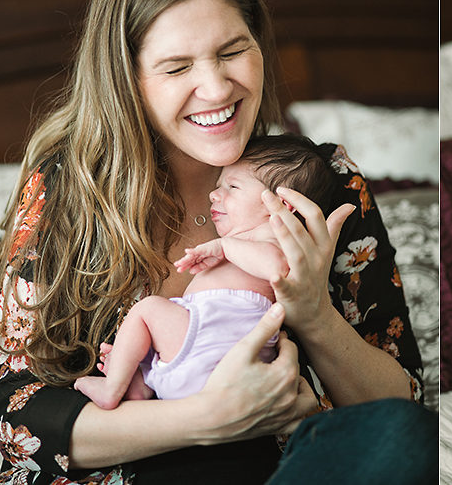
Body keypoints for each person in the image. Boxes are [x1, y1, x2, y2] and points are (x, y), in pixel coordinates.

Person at [0, 0, 437, 484]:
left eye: (232, 52)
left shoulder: (319, 183)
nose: (216, 88)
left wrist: (312, 312)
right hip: (137, 471)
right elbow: (15, 410)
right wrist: (207, 419)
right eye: (177, 68)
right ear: (127, 80)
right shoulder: (66, 190)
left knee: (407, 436)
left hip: (290, 466)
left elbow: (399, 398)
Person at [73, 133, 334, 409]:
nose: (214, 193)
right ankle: (138, 380)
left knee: (147, 310)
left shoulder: (277, 235)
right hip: (208, 350)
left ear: (283, 204)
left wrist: (224, 247)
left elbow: (276, 268)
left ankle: (114, 386)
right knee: (150, 327)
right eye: (218, 184)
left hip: (216, 344)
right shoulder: (246, 239)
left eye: (232, 186)